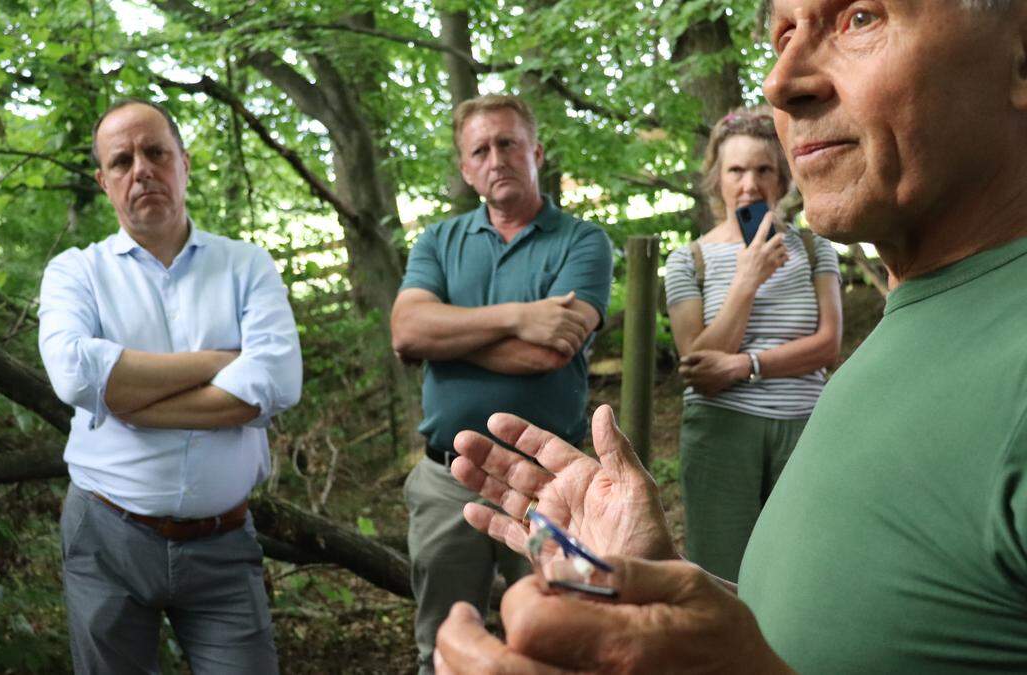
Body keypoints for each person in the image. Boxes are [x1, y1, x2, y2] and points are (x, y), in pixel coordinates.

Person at [434, 0, 1027, 672]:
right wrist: (671, 591)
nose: (779, 81)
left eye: (859, 17)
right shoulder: (921, 313)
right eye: (783, 34)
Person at [37, 99, 301, 674]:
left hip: (223, 543)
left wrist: (132, 400)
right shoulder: (75, 272)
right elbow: (76, 374)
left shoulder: (245, 266)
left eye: (156, 153)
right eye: (122, 160)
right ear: (104, 182)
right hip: (107, 536)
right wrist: (216, 361)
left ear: (183, 162)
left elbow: (277, 379)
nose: (142, 170)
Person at [390, 94, 612, 674]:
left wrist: (451, 338)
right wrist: (519, 316)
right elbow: (408, 331)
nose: (496, 159)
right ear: (466, 170)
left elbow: (553, 350)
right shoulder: (438, 241)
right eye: (480, 150)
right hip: (446, 482)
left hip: (550, 484)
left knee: (569, 634)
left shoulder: (583, 240)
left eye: (508, 143)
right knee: (441, 647)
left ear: (535, 151)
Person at [665, 107, 841, 582]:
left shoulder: (813, 247)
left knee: (803, 567)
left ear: (782, 178)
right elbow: (698, 364)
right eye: (736, 170)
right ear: (716, 181)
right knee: (722, 571)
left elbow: (827, 345)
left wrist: (745, 365)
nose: (749, 183)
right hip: (722, 431)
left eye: (763, 169)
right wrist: (746, 279)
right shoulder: (689, 260)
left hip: (805, 426)